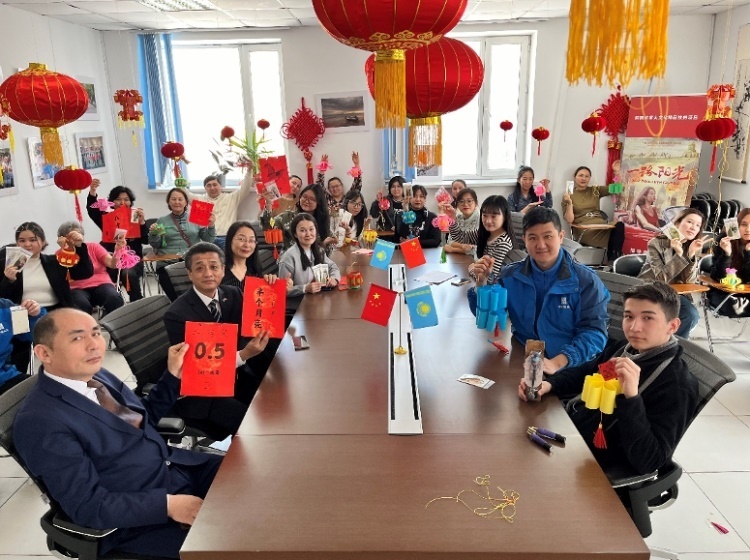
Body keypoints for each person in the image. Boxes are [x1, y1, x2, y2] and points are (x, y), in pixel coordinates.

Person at [13, 308, 222, 559]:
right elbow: (88, 506)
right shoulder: (40, 421)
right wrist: (168, 505)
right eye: (77, 338)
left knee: (251, 477)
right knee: (235, 541)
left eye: (96, 333)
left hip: (177, 468)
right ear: (44, 353)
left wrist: (172, 375)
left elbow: (140, 419)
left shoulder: (96, 374)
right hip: (141, 520)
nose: (94, 345)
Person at [518, 281, 700, 476]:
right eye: (629, 316)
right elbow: (586, 372)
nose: (634, 327)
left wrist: (631, 398)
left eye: (648, 318)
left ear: (672, 326)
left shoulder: (677, 386)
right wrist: (549, 384)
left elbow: (650, 461)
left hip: (595, 463)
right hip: (573, 429)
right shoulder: (624, 349)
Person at [471, 207, 609, 374]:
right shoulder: (510, 276)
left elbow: (595, 333)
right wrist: (481, 283)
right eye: (533, 238)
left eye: (548, 236)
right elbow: (490, 319)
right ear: (524, 240)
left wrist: (557, 363)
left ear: (561, 237)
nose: (541, 245)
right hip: (523, 359)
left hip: (569, 367)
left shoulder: (586, 281)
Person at [164, 243, 273, 417]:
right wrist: (243, 355)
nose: (208, 274)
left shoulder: (233, 293)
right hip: (206, 392)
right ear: (189, 274)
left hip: (239, 375)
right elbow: (195, 369)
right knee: (251, 418)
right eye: (200, 268)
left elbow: (257, 321)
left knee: (275, 398)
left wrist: (272, 289)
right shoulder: (176, 315)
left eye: (214, 267)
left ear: (223, 270)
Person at [638, 208, 709, 338]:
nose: (693, 227)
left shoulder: (691, 246)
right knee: (688, 314)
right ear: (677, 223)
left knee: (690, 315)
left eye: (698, 225)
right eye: (689, 222)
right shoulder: (656, 243)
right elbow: (661, 278)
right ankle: (663, 343)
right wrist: (679, 255)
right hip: (652, 290)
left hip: (673, 293)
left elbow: (689, 281)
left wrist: (691, 254)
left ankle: (668, 344)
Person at [1, 222, 93, 311]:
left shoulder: (56, 261)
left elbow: (84, 273)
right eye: (22, 241)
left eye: (33, 240)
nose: (27, 244)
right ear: (17, 244)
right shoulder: (9, 265)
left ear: (43, 242)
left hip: (56, 312)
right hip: (22, 314)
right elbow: (3, 299)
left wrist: (78, 247)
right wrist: (9, 281)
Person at [148, 188, 216, 301]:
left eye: (180, 199)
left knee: (200, 288)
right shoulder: (162, 221)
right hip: (167, 262)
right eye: (173, 199)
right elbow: (156, 245)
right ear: (169, 202)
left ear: (186, 202)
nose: (177, 202)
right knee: (172, 291)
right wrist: (153, 234)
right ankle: (178, 306)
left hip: (191, 261)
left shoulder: (197, 216)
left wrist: (211, 226)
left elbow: (208, 239)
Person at [87, 180, 148, 301]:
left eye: (126, 199)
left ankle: (137, 301)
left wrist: (142, 223)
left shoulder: (135, 216)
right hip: (111, 259)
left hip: (133, 261)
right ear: (112, 202)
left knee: (128, 273)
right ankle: (112, 302)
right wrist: (92, 192)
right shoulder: (106, 218)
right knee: (102, 274)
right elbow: (92, 211)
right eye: (118, 199)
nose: (122, 202)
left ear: (131, 202)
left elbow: (146, 240)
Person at [57, 221, 125, 317]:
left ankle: (112, 321)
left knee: (114, 297)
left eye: (78, 234)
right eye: (71, 235)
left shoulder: (93, 247)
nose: (75, 238)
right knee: (80, 304)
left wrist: (118, 250)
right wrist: (66, 249)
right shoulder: (60, 254)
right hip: (76, 288)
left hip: (102, 283)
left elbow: (112, 264)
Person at [444, 195, 515, 283]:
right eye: (485, 215)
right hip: (481, 285)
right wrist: (452, 218)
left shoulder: (503, 243)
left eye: (493, 216)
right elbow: (459, 237)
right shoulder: (484, 233)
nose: (488, 221)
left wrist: (472, 269)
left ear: (505, 216)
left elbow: (491, 280)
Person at [278, 213, 341, 297]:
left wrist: (334, 279)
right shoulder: (288, 257)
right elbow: (282, 290)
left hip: (318, 297)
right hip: (299, 302)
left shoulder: (318, 250)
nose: (308, 234)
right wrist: (304, 288)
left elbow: (333, 266)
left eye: (311, 229)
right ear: (295, 234)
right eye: (303, 230)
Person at [222, 221, 293, 292]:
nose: (247, 245)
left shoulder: (256, 271)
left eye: (251, 240)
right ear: (230, 240)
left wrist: (279, 287)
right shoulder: (220, 270)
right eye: (241, 239)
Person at [709, 207, 750, 317]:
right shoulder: (724, 239)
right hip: (721, 291)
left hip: (744, 291)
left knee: (740, 306)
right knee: (732, 305)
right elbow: (718, 276)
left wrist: (748, 254)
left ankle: (742, 305)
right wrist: (727, 254)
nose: (748, 229)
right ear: (737, 225)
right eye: (744, 224)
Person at [198, 172, 255, 250]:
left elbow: (245, 188)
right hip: (208, 238)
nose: (212, 188)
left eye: (215, 184)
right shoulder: (201, 200)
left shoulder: (231, 197)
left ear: (220, 186)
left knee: (228, 253)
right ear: (205, 188)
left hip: (226, 237)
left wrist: (249, 170)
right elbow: (185, 194)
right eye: (209, 185)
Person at [561, 166, 613, 248]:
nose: (583, 178)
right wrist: (569, 203)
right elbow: (569, 220)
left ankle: (614, 254)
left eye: (587, 176)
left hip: (602, 227)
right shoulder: (568, 195)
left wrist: (617, 172)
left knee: (620, 229)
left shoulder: (595, 190)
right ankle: (614, 254)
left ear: (589, 178)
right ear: (575, 177)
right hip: (585, 231)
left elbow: (617, 189)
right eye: (581, 175)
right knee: (616, 238)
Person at [0, 297, 44, 394]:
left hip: (6, 377)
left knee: (50, 391)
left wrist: (34, 315)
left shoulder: (5, 306)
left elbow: (30, 336)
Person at [444, 188, 480, 255]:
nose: (465, 204)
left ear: (476, 203)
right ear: (457, 205)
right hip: (458, 257)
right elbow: (450, 241)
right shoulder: (458, 218)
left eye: (469, 201)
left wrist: (453, 249)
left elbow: (478, 248)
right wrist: (462, 246)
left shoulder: (482, 220)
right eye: (461, 201)